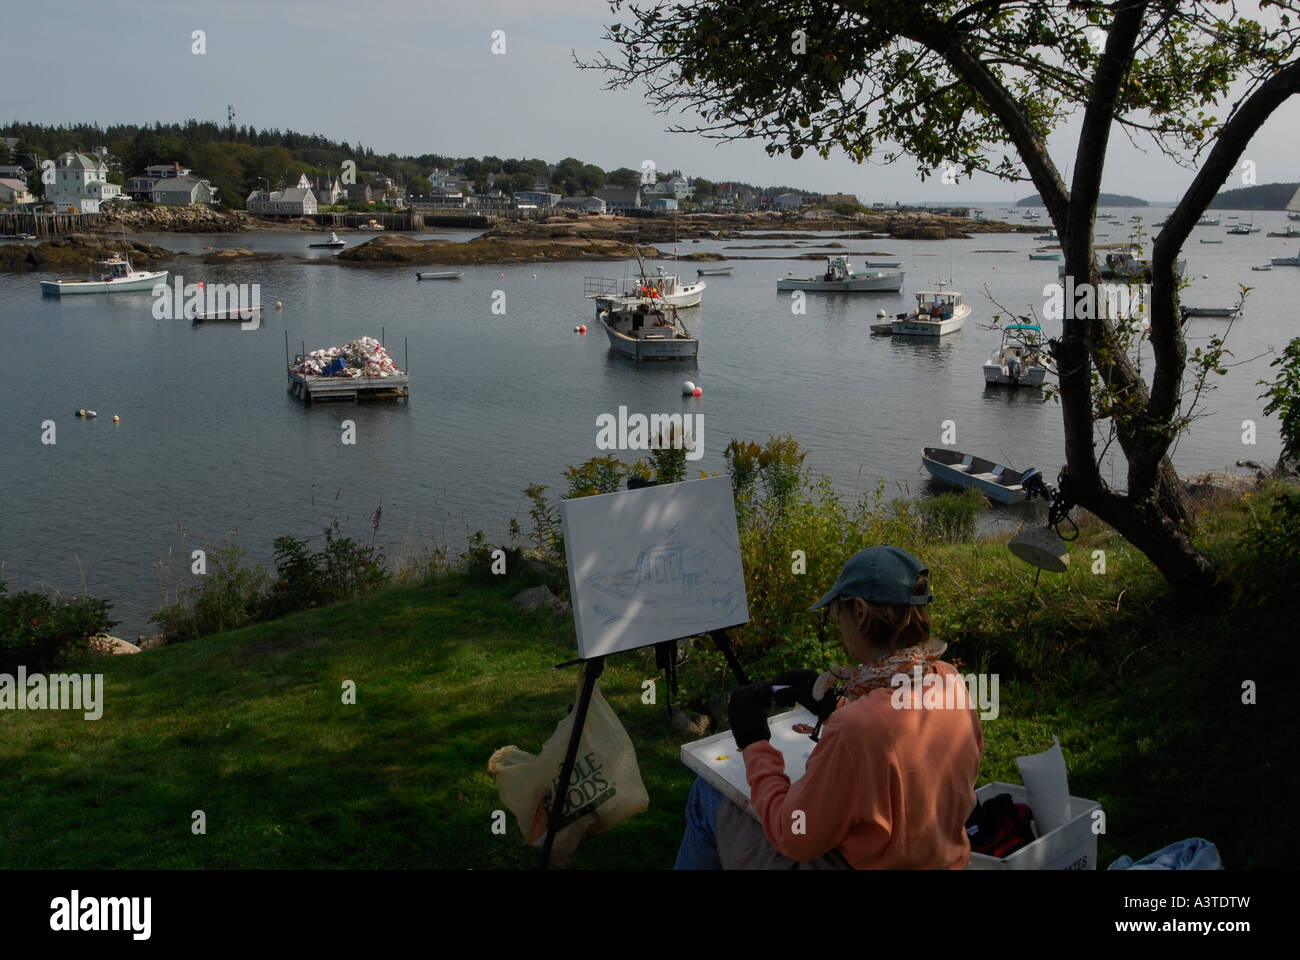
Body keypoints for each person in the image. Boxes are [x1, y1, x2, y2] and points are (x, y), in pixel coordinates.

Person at [674, 545, 983, 869]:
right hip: (940, 859)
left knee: (708, 793)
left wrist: (754, 744)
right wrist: (836, 705)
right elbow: (905, 738)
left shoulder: (855, 730)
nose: (838, 624)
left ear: (860, 612)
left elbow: (794, 833)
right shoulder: (949, 680)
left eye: (837, 613)